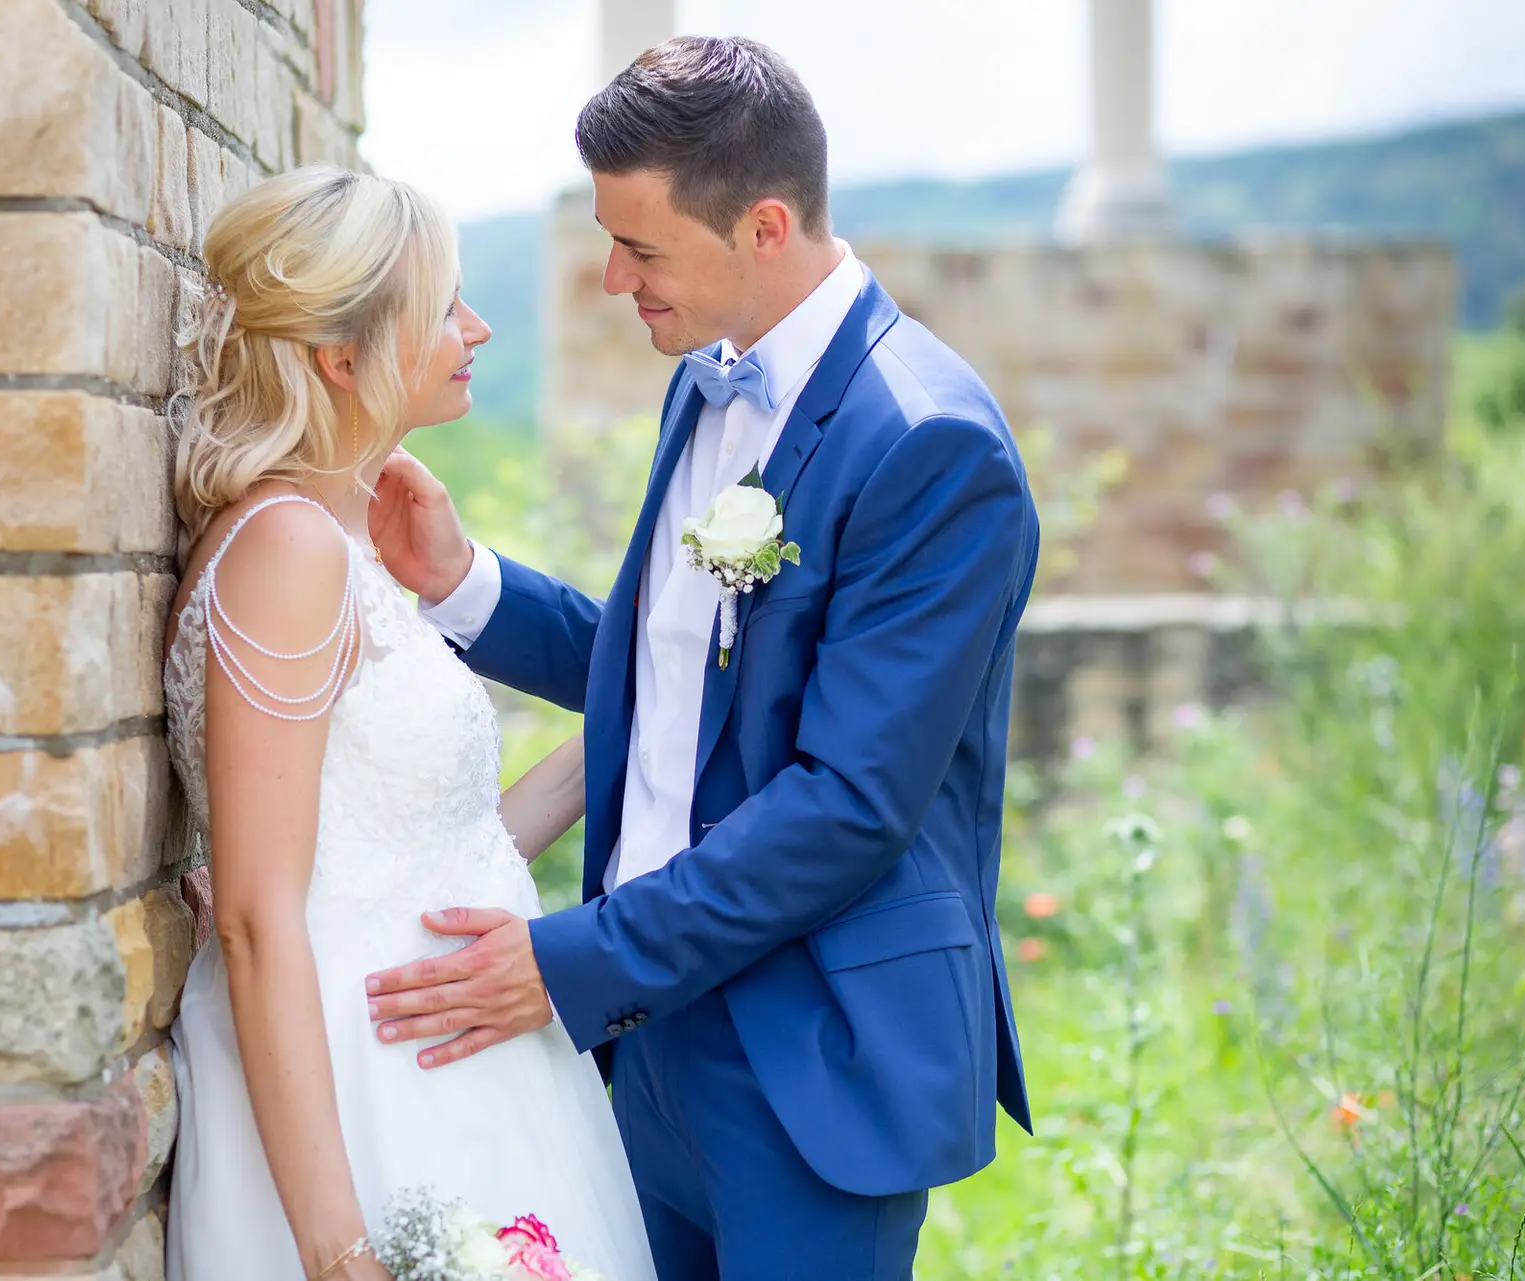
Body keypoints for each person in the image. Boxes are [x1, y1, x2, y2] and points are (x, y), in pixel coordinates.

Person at [364, 36, 1041, 1281]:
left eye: (643, 247)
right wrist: (465, 584)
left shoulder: (932, 449)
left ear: (766, 225)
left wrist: (569, 965)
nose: (615, 280)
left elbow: (848, 806)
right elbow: (675, 677)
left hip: (810, 1058)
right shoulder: (709, 383)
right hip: (648, 1036)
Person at [160, 164, 656, 1281]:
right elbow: (252, 917)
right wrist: (339, 1251)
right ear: (343, 357)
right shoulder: (286, 553)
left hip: (466, 1059)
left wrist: (661, 705)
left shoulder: (348, 540)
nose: (476, 328)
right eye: (444, 309)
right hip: (363, 1087)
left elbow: (425, 839)